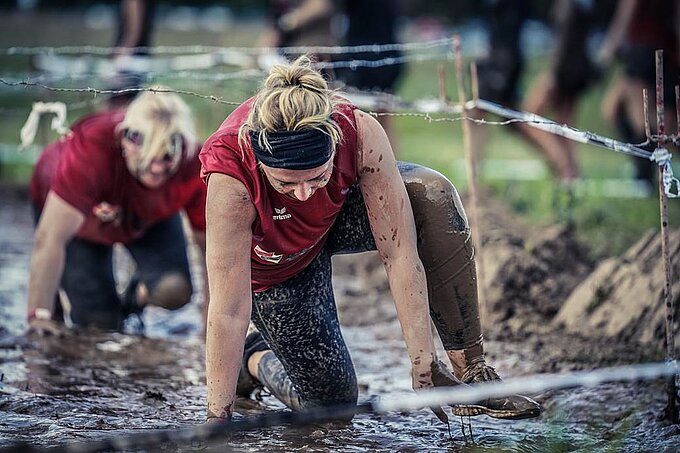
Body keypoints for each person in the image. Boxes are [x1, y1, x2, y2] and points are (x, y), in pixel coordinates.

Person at [200, 56, 541, 422]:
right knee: (332, 408)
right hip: (279, 264)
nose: (303, 195)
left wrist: (423, 364)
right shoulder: (231, 176)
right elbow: (228, 309)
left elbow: (398, 252)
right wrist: (218, 421)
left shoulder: (359, 130)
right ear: (260, 162)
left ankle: (472, 371)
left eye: (316, 177)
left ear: (333, 143)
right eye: (285, 183)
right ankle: (256, 359)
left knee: (432, 195)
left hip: (337, 218)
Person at [27, 91, 207, 335]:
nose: (156, 168)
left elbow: (211, 248)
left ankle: (133, 298)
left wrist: (211, 321)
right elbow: (50, 237)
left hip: (147, 215)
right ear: (125, 140)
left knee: (173, 290)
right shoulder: (93, 150)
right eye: (147, 157)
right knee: (99, 325)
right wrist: (39, 314)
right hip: (80, 224)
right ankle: (68, 298)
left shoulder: (192, 163)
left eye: (166, 157)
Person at [598, 0, 679, 189]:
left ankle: (645, 173)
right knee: (613, 110)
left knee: (642, 121)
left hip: (643, 50)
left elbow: (625, 14)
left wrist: (606, 54)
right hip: (657, 50)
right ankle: (642, 164)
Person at [517, 0, 599, 183]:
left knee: (529, 116)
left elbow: (567, 39)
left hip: (564, 69)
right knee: (565, 123)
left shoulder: (572, 5)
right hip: (575, 66)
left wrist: (556, 75)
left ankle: (564, 168)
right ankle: (572, 173)